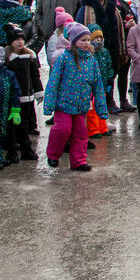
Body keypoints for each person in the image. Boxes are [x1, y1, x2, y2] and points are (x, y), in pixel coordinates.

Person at [43, 22, 108, 171]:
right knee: (62, 130)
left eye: (87, 40)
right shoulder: (64, 58)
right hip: (64, 104)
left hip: (81, 105)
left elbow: (98, 85)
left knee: (80, 134)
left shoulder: (91, 60)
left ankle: (78, 161)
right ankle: (53, 154)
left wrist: (101, 108)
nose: (86, 43)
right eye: (82, 40)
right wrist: (49, 104)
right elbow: (53, 81)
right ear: (73, 41)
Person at [75, 0, 126, 114]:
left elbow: (119, 28)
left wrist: (121, 48)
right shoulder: (85, 10)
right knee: (95, 79)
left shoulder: (113, 8)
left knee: (110, 75)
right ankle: (95, 104)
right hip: (94, 49)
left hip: (112, 47)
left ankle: (109, 101)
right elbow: (80, 29)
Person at [4, 24, 43, 161]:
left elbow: (35, 76)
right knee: (12, 126)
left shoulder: (29, 55)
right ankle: (12, 151)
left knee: (25, 125)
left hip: (27, 97)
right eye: (16, 39)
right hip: (13, 98)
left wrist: (39, 92)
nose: (20, 42)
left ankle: (26, 150)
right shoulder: (7, 58)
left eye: (21, 39)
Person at [107, 0, 137, 113]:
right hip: (114, 42)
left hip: (126, 42)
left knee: (124, 73)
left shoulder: (124, 3)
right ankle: (110, 101)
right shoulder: (108, 5)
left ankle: (123, 100)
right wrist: (125, 26)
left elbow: (131, 16)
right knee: (112, 75)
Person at [86, 25, 115, 139]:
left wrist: (109, 79)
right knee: (92, 109)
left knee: (102, 107)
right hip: (93, 87)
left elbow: (109, 66)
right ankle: (93, 129)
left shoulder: (104, 51)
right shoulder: (90, 53)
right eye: (95, 37)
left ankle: (103, 127)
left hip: (103, 84)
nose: (98, 40)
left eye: (100, 37)